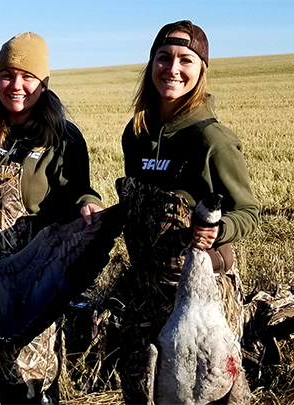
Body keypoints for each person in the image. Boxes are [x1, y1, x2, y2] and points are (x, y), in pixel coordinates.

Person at [0, 32, 104, 403]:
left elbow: (79, 191)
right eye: (8, 75)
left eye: (28, 76)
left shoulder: (62, 137)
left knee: (23, 380)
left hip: (27, 281)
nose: (17, 85)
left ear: (43, 82)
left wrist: (89, 203)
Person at [115, 20, 259, 402]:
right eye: (163, 58)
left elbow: (248, 210)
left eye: (185, 60)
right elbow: (138, 204)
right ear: (151, 64)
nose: (172, 69)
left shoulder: (211, 140)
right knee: (145, 393)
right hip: (145, 293)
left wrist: (219, 229)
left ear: (201, 70)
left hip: (200, 295)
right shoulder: (137, 134)